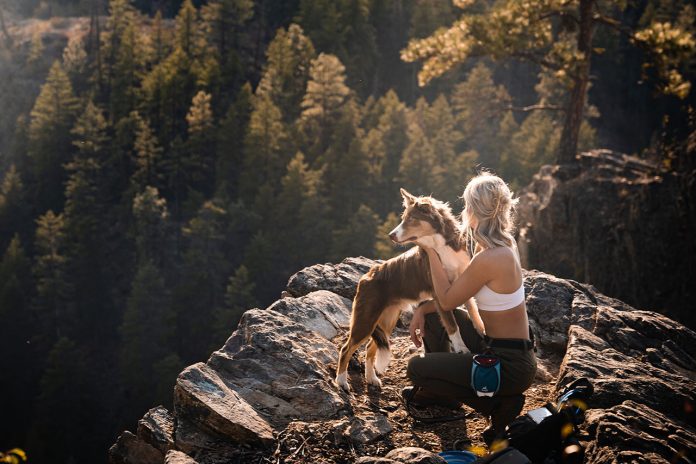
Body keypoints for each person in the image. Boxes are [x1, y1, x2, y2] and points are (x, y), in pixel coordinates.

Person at [403, 172, 537, 444]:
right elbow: (456, 298)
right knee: (433, 317)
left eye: (466, 206)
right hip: (506, 349)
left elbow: (448, 299)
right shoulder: (502, 244)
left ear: (476, 211)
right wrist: (421, 311)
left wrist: (430, 251)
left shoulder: (490, 257)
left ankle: (496, 406)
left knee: (416, 368)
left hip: (508, 366)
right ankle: (440, 393)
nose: (463, 211)